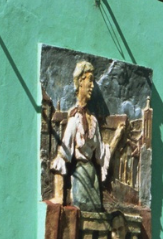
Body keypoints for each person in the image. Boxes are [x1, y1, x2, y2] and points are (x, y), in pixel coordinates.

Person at [50, 59, 125, 210]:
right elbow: (64, 154)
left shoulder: (94, 121)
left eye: (93, 81)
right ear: (79, 82)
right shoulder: (74, 119)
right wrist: (59, 194)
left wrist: (117, 135)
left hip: (93, 177)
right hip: (81, 175)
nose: (92, 86)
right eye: (89, 81)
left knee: (97, 215)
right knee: (84, 216)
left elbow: (101, 154)